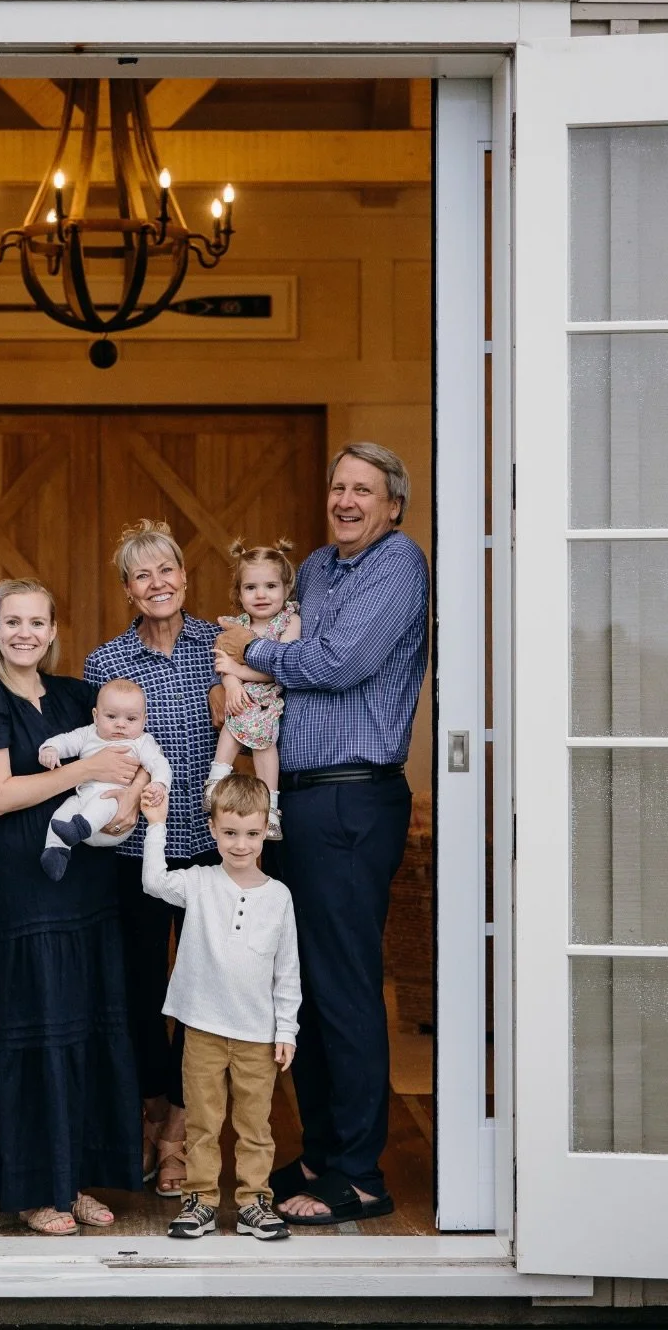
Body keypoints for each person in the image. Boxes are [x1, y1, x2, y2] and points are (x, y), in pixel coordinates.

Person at [214, 442, 429, 1226]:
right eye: (337, 486)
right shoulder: (314, 566)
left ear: (392, 505)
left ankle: (361, 1175)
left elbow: (336, 662)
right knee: (298, 992)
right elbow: (278, 660)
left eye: (363, 490)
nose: (346, 499)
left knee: (343, 988)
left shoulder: (398, 564)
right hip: (294, 801)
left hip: (351, 801)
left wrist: (248, 650)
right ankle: (323, 1149)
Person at [0, 578, 143, 1235]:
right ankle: (35, 1189)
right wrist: (84, 774)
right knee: (34, 1031)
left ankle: (75, 1182)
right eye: (13, 621)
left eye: (37, 621)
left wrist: (124, 807)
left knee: (85, 1030)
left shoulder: (77, 697)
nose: (25, 632)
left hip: (90, 886)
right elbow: (1, 795)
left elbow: (133, 754)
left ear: (54, 628)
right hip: (26, 889)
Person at [84, 520, 222, 1199]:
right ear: (127, 590)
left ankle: (179, 1132)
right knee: (138, 992)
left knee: (199, 992)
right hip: (134, 852)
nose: (158, 583)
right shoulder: (106, 662)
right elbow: (99, 757)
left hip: (210, 849)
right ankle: (145, 1111)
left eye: (167, 569)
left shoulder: (219, 649)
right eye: (143, 575)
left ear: (185, 577)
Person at [140, 774, 300, 1241]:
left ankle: (254, 1201)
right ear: (212, 829)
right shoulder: (199, 883)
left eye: (252, 833)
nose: (241, 844)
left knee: (255, 1125)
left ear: (266, 829)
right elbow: (152, 881)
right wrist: (156, 824)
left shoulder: (279, 897)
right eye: (230, 833)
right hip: (203, 1030)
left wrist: (286, 1030)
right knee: (203, 1123)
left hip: (257, 1034)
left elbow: (286, 971)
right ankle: (201, 1200)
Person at [203, 539, 301, 841]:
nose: (261, 595)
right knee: (229, 729)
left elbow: (279, 667)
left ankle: (270, 809)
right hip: (241, 699)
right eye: (251, 588)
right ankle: (216, 780)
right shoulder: (236, 625)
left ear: (286, 589)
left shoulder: (289, 622)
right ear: (239, 593)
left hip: (268, 703)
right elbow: (222, 659)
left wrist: (237, 672)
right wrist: (231, 686)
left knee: (265, 746)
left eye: (271, 586)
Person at [37, 678, 172, 881]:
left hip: (116, 814)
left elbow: (159, 763)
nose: (120, 724)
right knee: (63, 811)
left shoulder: (142, 741)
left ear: (145, 720)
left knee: (105, 801)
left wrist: (159, 784)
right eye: (111, 716)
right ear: (95, 715)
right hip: (83, 802)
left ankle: (78, 828)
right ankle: (57, 851)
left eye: (131, 719)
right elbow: (65, 740)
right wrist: (50, 749)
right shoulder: (88, 733)